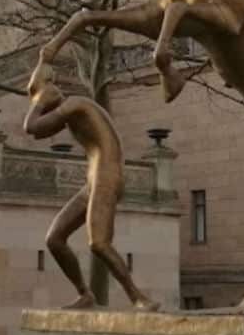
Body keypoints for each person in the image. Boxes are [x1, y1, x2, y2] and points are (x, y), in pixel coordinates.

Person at [24, 60, 159, 312]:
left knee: (99, 243)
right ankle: (85, 294)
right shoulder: (71, 111)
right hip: (94, 180)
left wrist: (39, 102)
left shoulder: (76, 104)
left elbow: (30, 126)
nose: (36, 100)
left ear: (50, 87)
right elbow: (38, 132)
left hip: (106, 177)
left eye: (37, 92)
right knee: (55, 239)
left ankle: (138, 297)